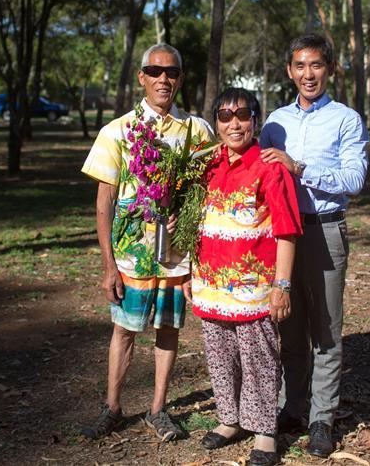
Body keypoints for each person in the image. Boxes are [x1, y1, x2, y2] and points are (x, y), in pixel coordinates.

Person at [80, 43, 214, 441]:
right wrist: (108, 265)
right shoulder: (117, 130)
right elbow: (104, 200)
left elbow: (206, 191)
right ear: (142, 77)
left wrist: (187, 215)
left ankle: (158, 410)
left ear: (180, 78)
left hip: (175, 256)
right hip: (131, 255)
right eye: (154, 71)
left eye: (171, 72)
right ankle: (113, 408)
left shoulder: (196, 130)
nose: (163, 79)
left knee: (169, 330)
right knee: (123, 330)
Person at [259, 34, 369, 457]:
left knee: (325, 329)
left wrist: (299, 167)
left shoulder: (345, 119)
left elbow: (354, 181)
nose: (309, 74)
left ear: (330, 69)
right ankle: (294, 406)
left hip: (324, 230)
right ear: (289, 71)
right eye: (300, 66)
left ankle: (322, 418)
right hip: (281, 234)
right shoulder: (274, 122)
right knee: (288, 324)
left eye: (317, 65)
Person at [192, 87, 302, 466]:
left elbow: (286, 230)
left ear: (256, 120)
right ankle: (229, 420)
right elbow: (196, 221)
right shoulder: (207, 164)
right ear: (216, 123)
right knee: (221, 357)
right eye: (225, 116)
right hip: (211, 284)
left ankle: (265, 433)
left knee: (259, 359)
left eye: (242, 115)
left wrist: (282, 286)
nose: (234, 123)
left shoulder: (269, 166)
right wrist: (190, 272)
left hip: (253, 288)